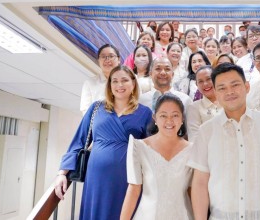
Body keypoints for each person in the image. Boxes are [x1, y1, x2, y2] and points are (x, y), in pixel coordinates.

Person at [187, 63, 260, 220]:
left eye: (235, 85)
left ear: (247, 87)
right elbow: (200, 182)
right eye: (222, 88)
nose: (229, 92)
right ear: (215, 92)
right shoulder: (206, 131)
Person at [55, 65, 152, 220]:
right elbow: (79, 140)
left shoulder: (145, 112)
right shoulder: (96, 108)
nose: (119, 85)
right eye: (115, 81)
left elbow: (151, 148)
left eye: (124, 80)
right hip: (97, 177)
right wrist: (62, 173)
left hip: (128, 178)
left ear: (133, 83)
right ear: (109, 85)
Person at [121, 93, 193, 219]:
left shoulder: (193, 149)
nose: (169, 121)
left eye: (175, 115)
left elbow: (193, 191)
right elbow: (133, 189)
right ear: (155, 118)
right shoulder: (139, 147)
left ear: (182, 119)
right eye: (163, 115)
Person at [80, 44, 121, 115]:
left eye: (111, 56)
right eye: (103, 56)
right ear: (98, 60)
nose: (107, 60)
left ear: (119, 59)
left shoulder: (128, 82)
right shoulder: (89, 83)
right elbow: (86, 112)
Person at [186, 66, 222, 143]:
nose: (205, 84)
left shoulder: (228, 102)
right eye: (200, 81)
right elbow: (194, 139)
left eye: (209, 79)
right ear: (196, 85)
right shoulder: (194, 108)